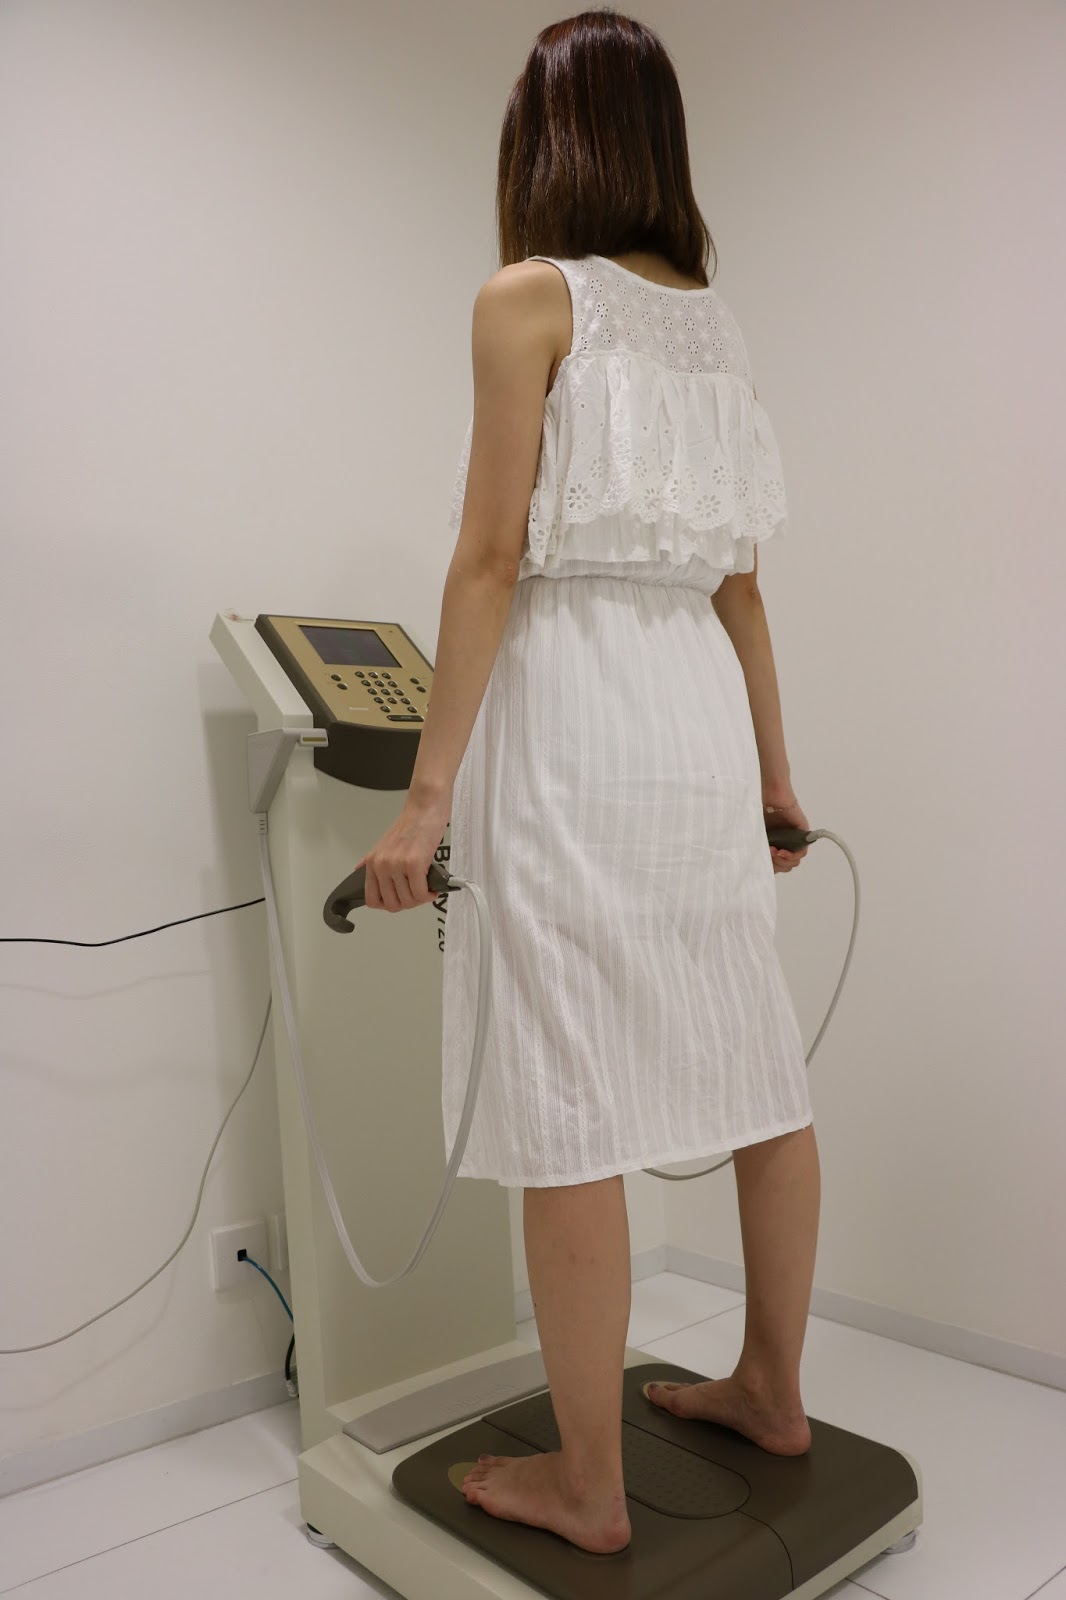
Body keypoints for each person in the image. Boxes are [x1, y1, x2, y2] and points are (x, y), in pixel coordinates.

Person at [354, 7, 821, 1559]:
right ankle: (770, 1385)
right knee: (752, 1060)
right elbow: (740, 588)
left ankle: (589, 1484)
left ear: (541, 135)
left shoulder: (527, 299)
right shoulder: (715, 325)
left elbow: (490, 558)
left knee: (567, 1086)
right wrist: (774, 778)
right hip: (693, 717)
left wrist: (426, 797)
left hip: (570, 717)